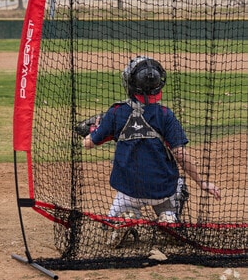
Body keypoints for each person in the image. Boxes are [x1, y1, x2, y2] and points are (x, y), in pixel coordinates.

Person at [83, 56, 221, 226]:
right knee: (179, 184)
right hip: (162, 190)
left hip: (129, 191)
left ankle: (126, 217)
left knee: (112, 223)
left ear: (130, 82)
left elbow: (89, 143)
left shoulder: (116, 112)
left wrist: (93, 130)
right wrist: (201, 182)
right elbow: (180, 154)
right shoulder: (165, 115)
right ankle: (168, 215)